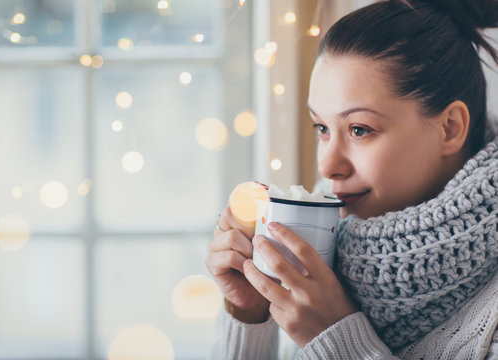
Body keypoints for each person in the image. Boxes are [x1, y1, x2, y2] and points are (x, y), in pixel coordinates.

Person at [206, 0, 498, 358]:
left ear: (449, 128)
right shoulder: (311, 261)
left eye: (359, 129)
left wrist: (334, 338)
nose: (328, 167)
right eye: (322, 128)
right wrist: (250, 314)